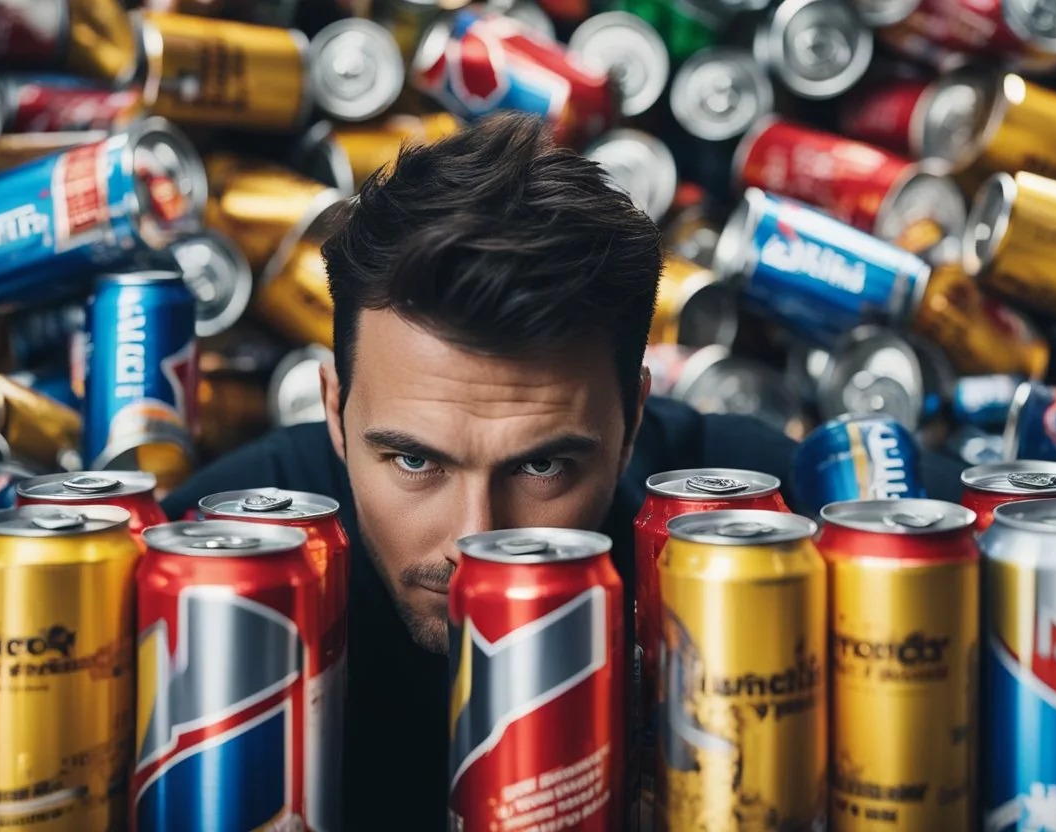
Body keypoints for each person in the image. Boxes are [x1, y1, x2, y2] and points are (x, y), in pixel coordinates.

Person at [162, 113, 965, 829]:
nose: (475, 541)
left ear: (634, 417)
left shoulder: (757, 508)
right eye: (413, 459)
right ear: (334, 411)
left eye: (543, 463)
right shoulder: (225, 547)